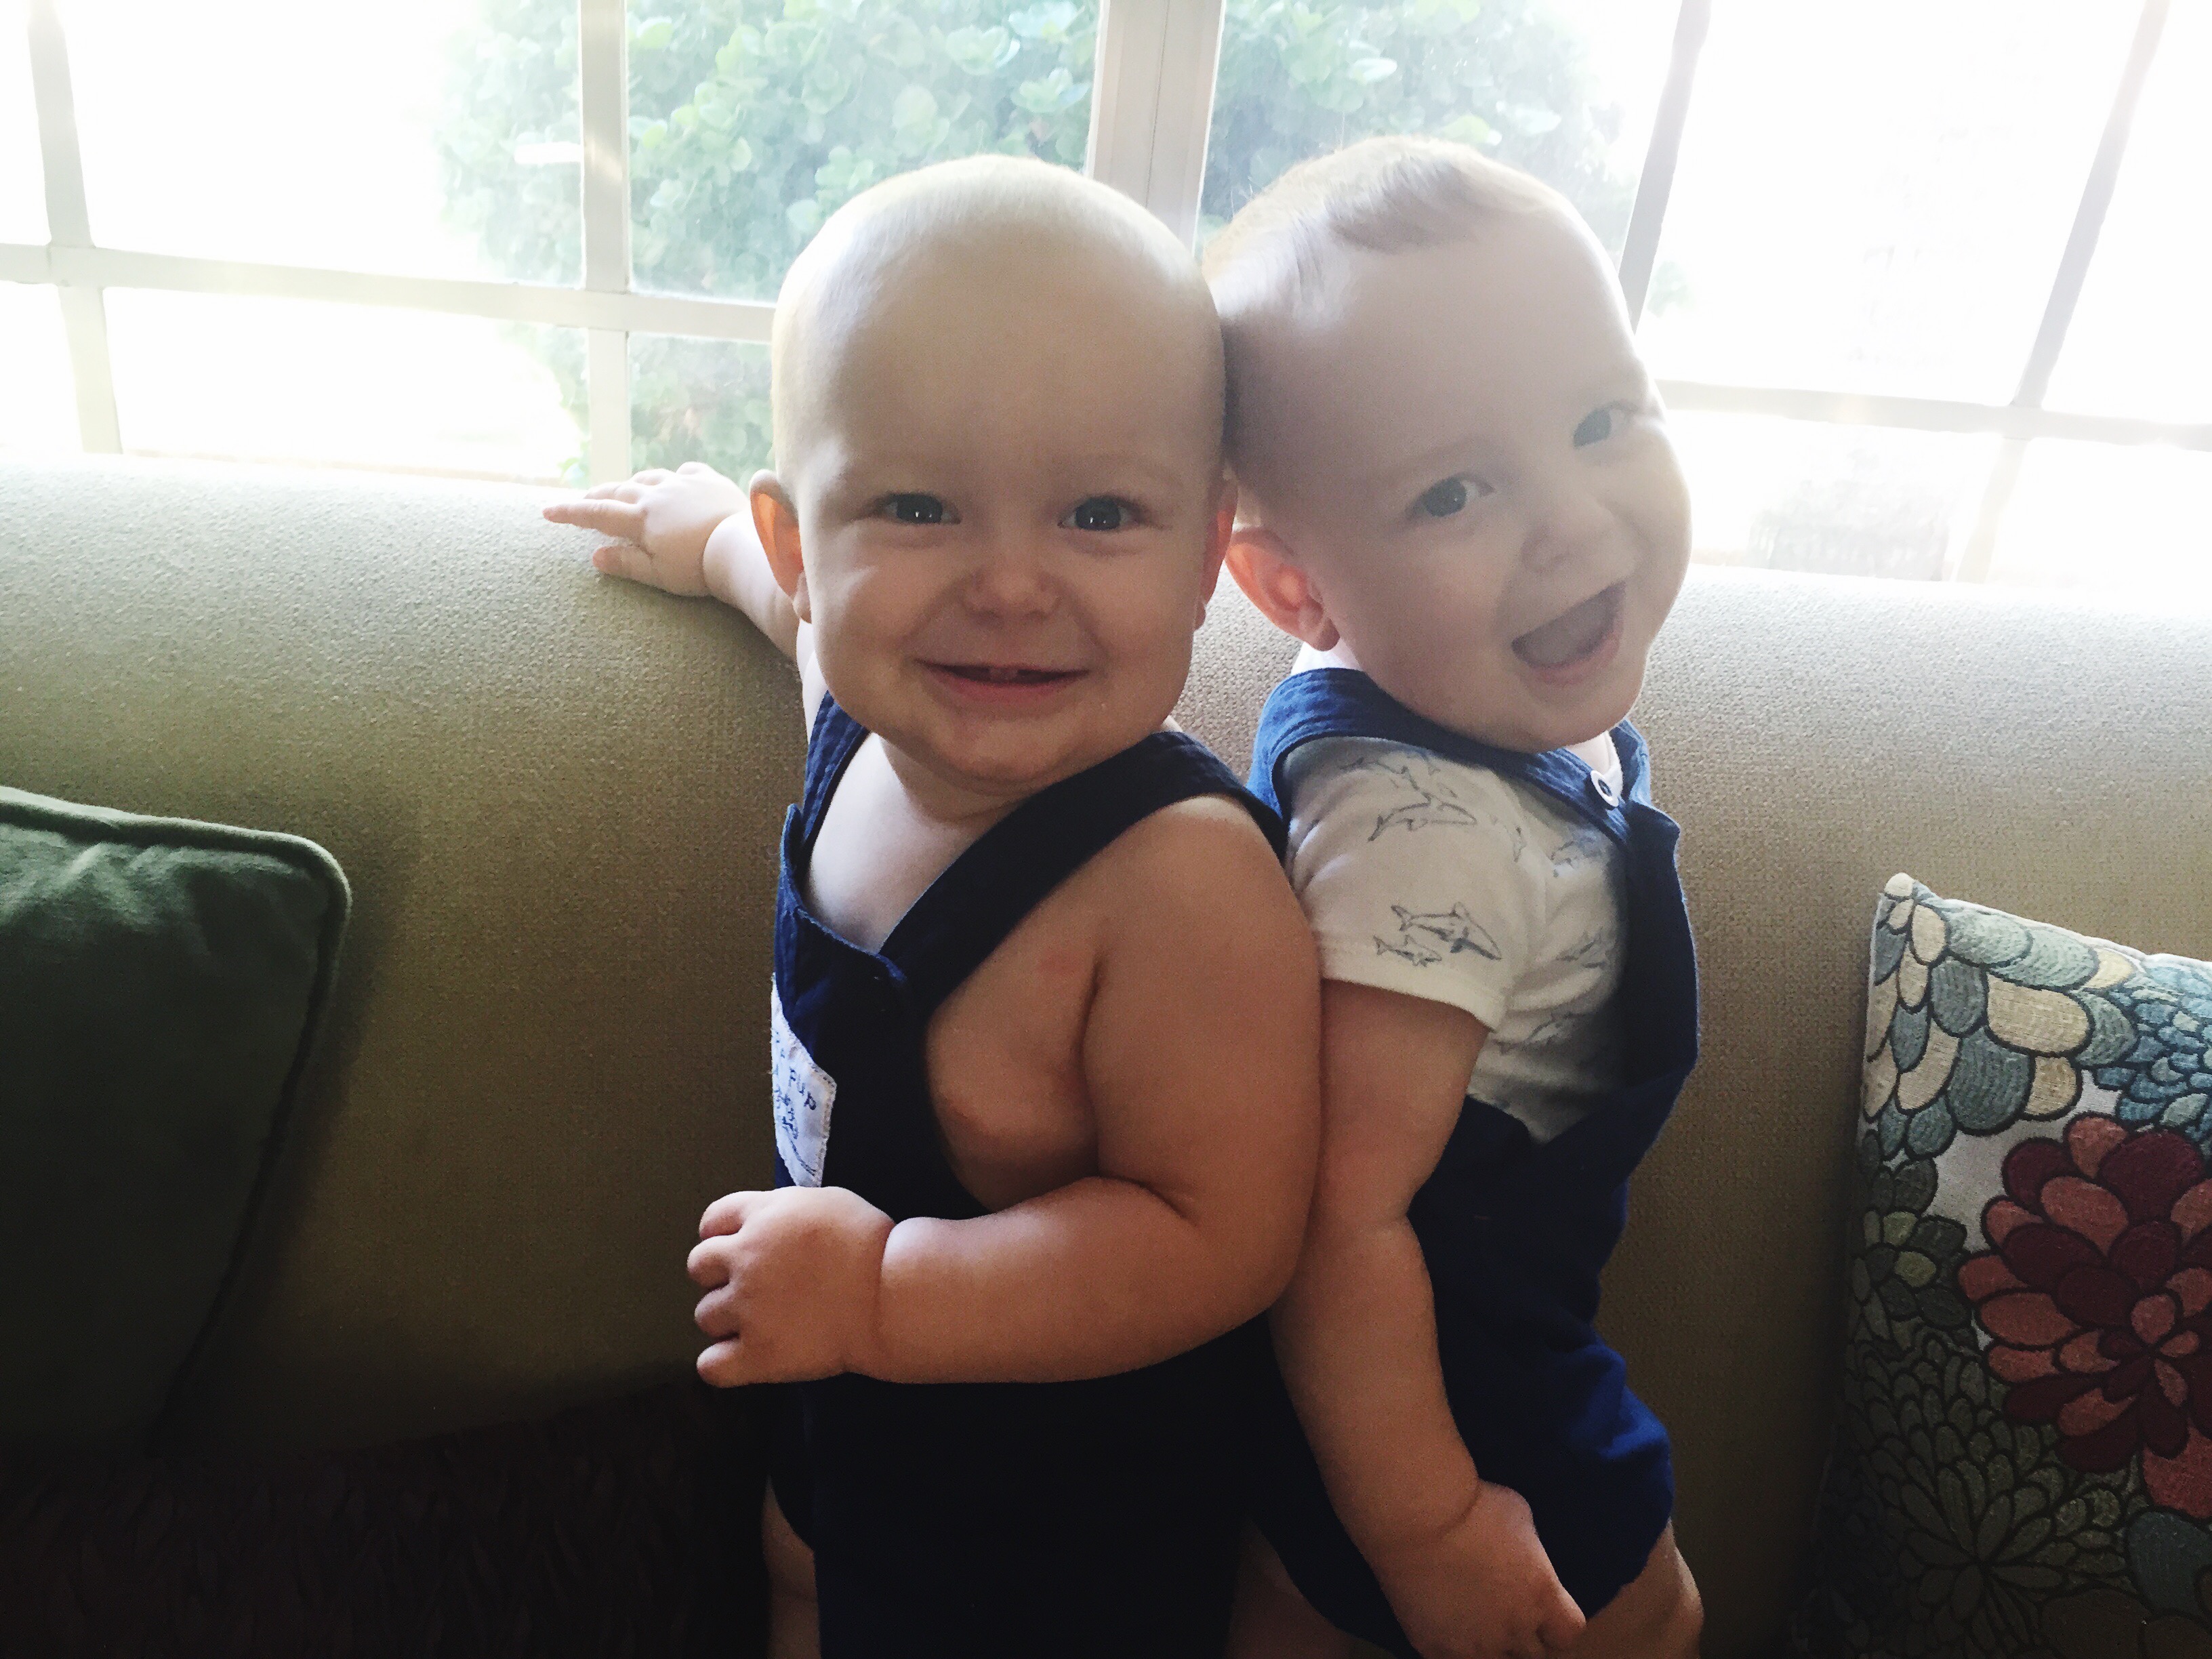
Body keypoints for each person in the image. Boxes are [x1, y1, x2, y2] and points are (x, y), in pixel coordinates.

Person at [544, 155, 1320, 1659]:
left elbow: (1220, 1236)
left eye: (1100, 513)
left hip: (1056, 1548)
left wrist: (888, 1295)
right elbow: (791, 619)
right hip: (839, 1423)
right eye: (916, 507)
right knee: (804, 1583)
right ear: (805, 546)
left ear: (1206, 555)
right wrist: (704, 541)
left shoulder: (1180, 881)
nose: (1011, 585)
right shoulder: (858, 725)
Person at [1207, 137, 1704, 1659]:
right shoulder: (1427, 839)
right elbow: (1338, 1215)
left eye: (1604, 420)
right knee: (1651, 1621)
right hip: (1452, 1404)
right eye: (1454, 492)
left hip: (1403, 1387)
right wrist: (1424, 1524)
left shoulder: (1451, 703)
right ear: (1295, 590)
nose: (1576, 523)